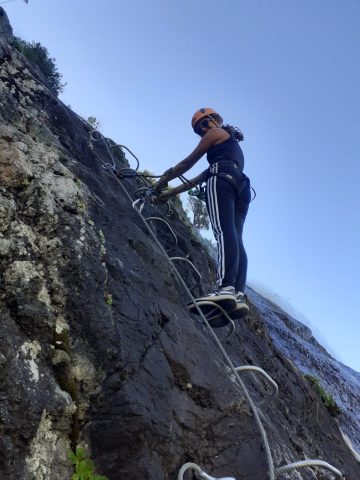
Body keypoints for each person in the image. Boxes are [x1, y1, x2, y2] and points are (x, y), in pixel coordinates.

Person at [153, 107, 251, 311]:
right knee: (235, 237)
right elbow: (194, 181)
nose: (203, 129)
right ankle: (238, 295)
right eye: (199, 129)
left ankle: (225, 288)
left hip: (222, 180)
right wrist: (168, 195)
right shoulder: (230, 148)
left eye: (205, 123)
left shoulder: (217, 134)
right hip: (241, 187)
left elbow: (187, 163)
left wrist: (162, 181)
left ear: (215, 120)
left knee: (223, 232)